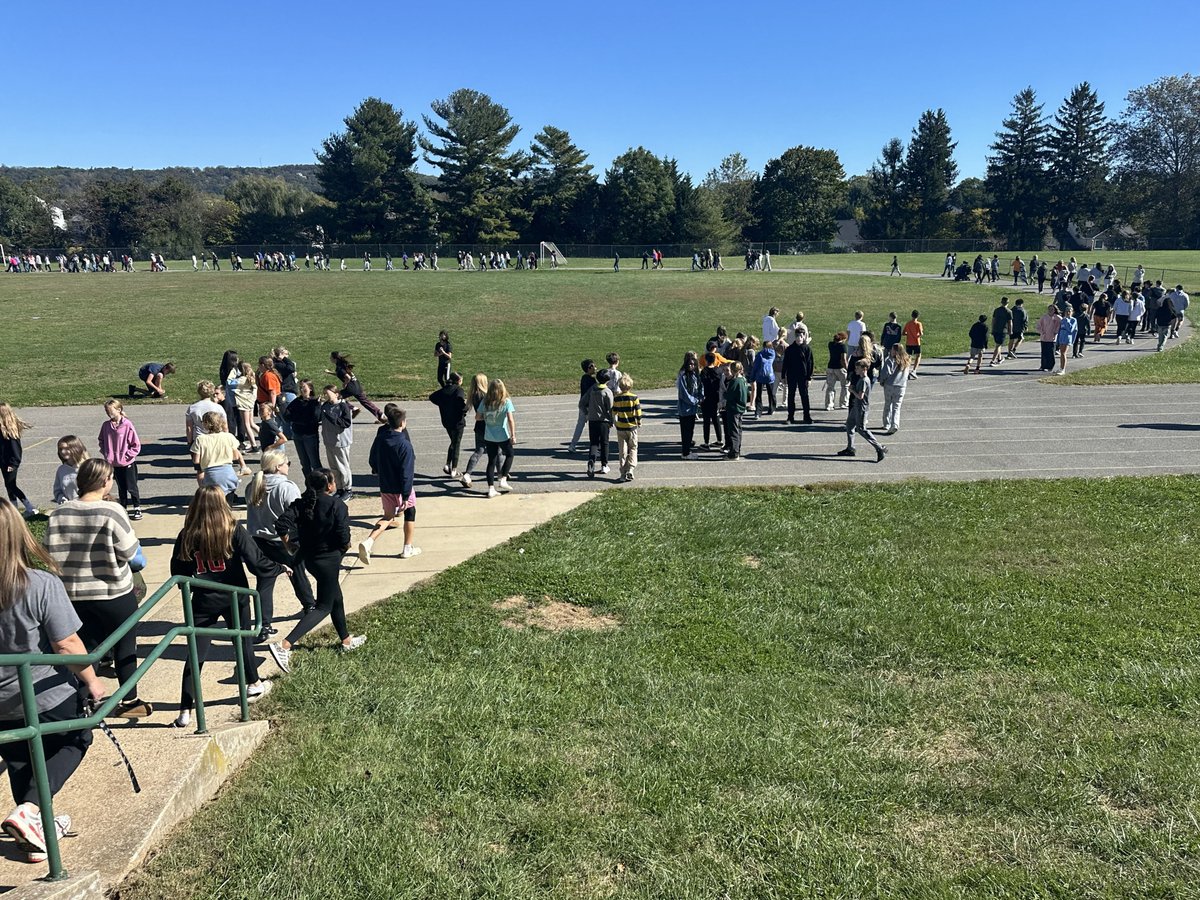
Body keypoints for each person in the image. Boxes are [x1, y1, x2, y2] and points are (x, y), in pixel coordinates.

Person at [0, 500, 105, 863]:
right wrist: (92, 680)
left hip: (1, 704)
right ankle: (30, 811)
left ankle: (33, 833)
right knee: (78, 737)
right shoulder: (39, 584)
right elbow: (67, 644)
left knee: (19, 759)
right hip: (45, 693)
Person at [45, 459, 151, 719]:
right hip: (113, 592)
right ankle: (129, 700)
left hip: (72, 594)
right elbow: (131, 553)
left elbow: (49, 553)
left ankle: (83, 701)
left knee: (84, 649)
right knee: (125, 646)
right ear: (105, 481)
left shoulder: (58, 514)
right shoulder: (112, 511)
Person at [169, 487, 279, 728]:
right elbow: (256, 561)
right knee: (243, 641)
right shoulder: (232, 529)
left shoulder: (187, 534)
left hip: (203, 598)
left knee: (195, 653)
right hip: (235, 595)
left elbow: (177, 571)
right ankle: (253, 683)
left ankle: (185, 710)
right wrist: (278, 567)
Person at [268, 469, 365, 674]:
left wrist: (289, 546)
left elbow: (281, 524)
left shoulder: (302, 503)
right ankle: (284, 645)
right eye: (334, 481)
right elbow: (343, 536)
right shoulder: (337, 505)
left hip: (310, 559)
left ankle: (346, 640)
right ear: (329, 485)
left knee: (336, 597)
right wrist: (343, 548)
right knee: (323, 606)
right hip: (329, 561)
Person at [246, 450, 315, 642]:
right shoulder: (286, 487)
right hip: (283, 541)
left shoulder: (253, 486)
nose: (288, 466)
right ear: (277, 467)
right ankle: (310, 606)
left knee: (265, 582)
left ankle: (263, 625)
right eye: (287, 463)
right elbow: (298, 515)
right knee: (298, 574)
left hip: (259, 542)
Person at [358, 404, 420, 565]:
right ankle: (407, 547)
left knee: (387, 517)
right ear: (402, 423)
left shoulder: (381, 438)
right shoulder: (404, 445)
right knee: (410, 512)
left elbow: (372, 459)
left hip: (385, 485)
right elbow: (407, 472)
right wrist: (405, 495)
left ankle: (369, 542)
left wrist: (378, 470)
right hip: (401, 488)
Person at [98, 400, 143, 520]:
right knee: (121, 487)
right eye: (106, 410)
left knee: (131, 486)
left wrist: (127, 456)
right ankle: (123, 508)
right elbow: (101, 440)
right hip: (114, 463)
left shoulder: (127, 425)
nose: (108, 413)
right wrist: (107, 453)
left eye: (110, 410)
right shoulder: (106, 426)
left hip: (127, 463)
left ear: (119, 410)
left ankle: (137, 507)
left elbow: (136, 444)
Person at [190, 412, 250, 500]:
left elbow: (196, 461)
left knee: (213, 501)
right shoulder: (229, 436)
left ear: (205, 424)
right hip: (228, 473)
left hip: (211, 475)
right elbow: (236, 456)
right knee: (228, 501)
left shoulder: (200, 439)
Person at [838, 360, 887, 462]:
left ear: (864, 369)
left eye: (858, 368)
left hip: (861, 407)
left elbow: (860, 396)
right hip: (856, 406)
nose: (856, 370)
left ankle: (879, 447)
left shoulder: (864, 380)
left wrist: (852, 391)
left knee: (861, 429)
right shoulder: (861, 379)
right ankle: (850, 448)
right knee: (849, 424)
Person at [477, 379, 516, 498]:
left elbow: (477, 417)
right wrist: (513, 435)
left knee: (491, 461)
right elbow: (510, 419)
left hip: (489, 435)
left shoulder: (485, 401)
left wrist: (486, 418)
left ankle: (491, 488)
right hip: (502, 435)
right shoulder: (506, 402)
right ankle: (503, 477)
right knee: (510, 454)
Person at [326, 352, 384, 424]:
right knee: (365, 402)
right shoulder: (342, 366)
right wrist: (329, 372)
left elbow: (348, 377)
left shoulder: (339, 367)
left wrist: (345, 383)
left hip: (351, 388)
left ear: (335, 359)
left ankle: (353, 409)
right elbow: (340, 374)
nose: (330, 359)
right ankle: (381, 416)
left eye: (331, 358)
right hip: (356, 385)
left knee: (336, 398)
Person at [0, 403, 36, 517]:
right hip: (3, 463)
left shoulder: (11, 433)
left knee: (11, 485)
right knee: (8, 486)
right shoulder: (2, 429)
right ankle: (14, 509)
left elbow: (16, 451)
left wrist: (13, 464)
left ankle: (30, 507)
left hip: (10, 464)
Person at [319, 385, 354, 501]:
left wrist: (330, 415)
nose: (325, 396)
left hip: (340, 442)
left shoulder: (343, 406)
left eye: (328, 393)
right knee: (334, 468)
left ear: (336, 394)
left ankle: (348, 489)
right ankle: (339, 488)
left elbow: (346, 423)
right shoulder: (325, 406)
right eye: (324, 393)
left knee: (343, 467)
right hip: (329, 441)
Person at [429, 372, 467, 479]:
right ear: (459, 381)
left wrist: (443, 404)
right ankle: (454, 469)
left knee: (453, 442)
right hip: (457, 421)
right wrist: (465, 409)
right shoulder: (458, 390)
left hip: (446, 420)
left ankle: (447, 464)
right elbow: (461, 403)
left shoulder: (444, 390)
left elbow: (432, 397)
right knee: (456, 444)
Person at [283, 379, 321, 478]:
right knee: (304, 463)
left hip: (310, 435)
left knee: (315, 462)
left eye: (304, 387)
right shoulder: (297, 401)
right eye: (300, 387)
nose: (301, 389)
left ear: (310, 388)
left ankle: (319, 484)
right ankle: (309, 484)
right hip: (297, 435)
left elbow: (316, 418)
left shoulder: (314, 402)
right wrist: (302, 419)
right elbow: (286, 415)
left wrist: (299, 418)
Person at [585, 369, 614, 479]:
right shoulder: (607, 392)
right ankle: (604, 465)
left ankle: (591, 461)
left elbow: (583, 402)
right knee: (604, 443)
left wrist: (587, 413)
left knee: (594, 443)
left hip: (592, 420)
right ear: (608, 380)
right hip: (603, 421)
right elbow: (610, 408)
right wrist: (611, 420)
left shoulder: (592, 389)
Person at [613, 374, 643, 482]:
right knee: (633, 448)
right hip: (631, 427)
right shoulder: (634, 397)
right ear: (630, 386)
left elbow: (614, 412)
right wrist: (639, 421)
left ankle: (622, 473)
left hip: (621, 427)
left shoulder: (617, 398)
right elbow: (638, 412)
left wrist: (615, 422)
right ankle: (631, 468)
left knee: (622, 451)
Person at [782, 330, 814, 424]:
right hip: (792, 375)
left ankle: (807, 416)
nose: (799, 338)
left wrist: (809, 377)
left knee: (804, 396)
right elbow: (785, 363)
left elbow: (810, 363)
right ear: (795, 337)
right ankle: (790, 417)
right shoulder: (790, 349)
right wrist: (783, 376)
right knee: (791, 396)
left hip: (803, 376)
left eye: (801, 336)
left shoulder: (807, 349)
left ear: (804, 337)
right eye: (797, 336)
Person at [879, 345, 910, 435]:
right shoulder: (906, 360)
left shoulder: (890, 360)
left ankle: (887, 423)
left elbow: (885, 372)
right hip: (901, 386)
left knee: (888, 404)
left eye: (892, 350)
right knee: (897, 406)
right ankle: (895, 424)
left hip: (890, 385)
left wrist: (882, 381)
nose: (890, 351)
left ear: (895, 351)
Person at [568, 360, 598, 453]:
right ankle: (596, 448)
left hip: (582, 404)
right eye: (594, 366)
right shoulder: (591, 380)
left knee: (580, 426)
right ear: (589, 368)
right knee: (595, 427)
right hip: (589, 406)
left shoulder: (584, 378)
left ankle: (572, 445)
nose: (595, 368)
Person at [676, 353, 702, 461]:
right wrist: (695, 400)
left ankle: (687, 450)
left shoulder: (695, 376)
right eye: (690, 364)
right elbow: (684, 394)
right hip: (685, 408)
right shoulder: (683, 377)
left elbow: (700, 387)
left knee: (690, 430)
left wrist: (701, 397)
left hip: (693, 409)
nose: (692, 366)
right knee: (686, 431)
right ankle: (685, 452)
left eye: (694, 364)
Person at [229, 362, 259, 451]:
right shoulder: (251, 378)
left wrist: (233, 371)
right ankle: (267, 437)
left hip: (243, 404)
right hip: (250, 402)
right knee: (252, 423)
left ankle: (254, 445)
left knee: (246, 425)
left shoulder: (240, 380)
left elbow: (229, 382)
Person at [185, 381, 226, 446]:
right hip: (216, 440)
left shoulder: (192, 408)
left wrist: (189, 442)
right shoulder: (219, 408)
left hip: (199, 440)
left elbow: (189, 428)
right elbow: (225, 427)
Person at [52, 436, 88, 505]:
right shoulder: (61, 469)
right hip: (69, 506)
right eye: (60, 449)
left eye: (67, 448)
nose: (63, 451)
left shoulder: (87, 467)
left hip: (86, 505)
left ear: (76, 448)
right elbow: (57, 491)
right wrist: (62, 500)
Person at [723, 362, 748, 461]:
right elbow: (747, 394)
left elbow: (729, 395)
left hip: (733, 408)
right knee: (739, 430)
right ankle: (737, 449)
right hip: (741, 408)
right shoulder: (744, 380)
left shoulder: (735, 381)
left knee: (733, 431)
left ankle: (734, 453)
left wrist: (725, 393)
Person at [752, 338, 777, 415]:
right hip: (770, 376)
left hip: (760, 376)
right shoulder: (773, 354)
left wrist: (752, 377)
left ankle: (758, 411)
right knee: (771, 393)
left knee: (759, 394)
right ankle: (772, 408)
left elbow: (755, 366)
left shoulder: (759, 354)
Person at [824, 332, 849, 410]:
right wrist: (847, 369)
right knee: (845, 386)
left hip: (831, 367)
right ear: (843, 339)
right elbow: (843, 359)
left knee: (830, 387)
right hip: (840, 368)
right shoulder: (843, 346)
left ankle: (829, 404)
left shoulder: (830, 344)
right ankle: (843, 403)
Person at [1036, 305, 1062, 372]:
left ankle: (1050, 366)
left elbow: (1060, 325)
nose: (1050, 310)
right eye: (1049, 309)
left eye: (1052, 309)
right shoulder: (1044, 317)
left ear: (1055, 310)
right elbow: (1038, 326)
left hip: (1052, 338)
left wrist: (1055, 332)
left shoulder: (1057, 318)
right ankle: (1043, 365)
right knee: (1044, 352)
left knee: (1050, 353)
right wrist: (1042, 332)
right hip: (1044, 338)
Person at [1054, 307, 1078, 375]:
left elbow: (1070, 329)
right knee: (1061, 353)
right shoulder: (1063, 320)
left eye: (1069, 311)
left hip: (1067, 338)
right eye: (1066, 311)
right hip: (1062, 337)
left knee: (1063, 353)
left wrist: (1067, 321)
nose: (1068, 313)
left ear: (1072, 312)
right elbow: (1060, 329)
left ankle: (1063, 369)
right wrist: (1058, 339)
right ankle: (1061, 367)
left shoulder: (1073, 320)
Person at [989, 298, 1012, 366]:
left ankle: (999, 358)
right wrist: (1010, 331)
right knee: (998, 345)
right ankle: (993, 360)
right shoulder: (1009, 311)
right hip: (1003, 330)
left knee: (998, 344)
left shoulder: (997, 310)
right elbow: (1010, 322)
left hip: (996, 329)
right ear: (1008, 303)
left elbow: (993, 320)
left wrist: (992, 329)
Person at [902, 311, 924, 379]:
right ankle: (914, 370)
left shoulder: (908, 323)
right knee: (918, 355)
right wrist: (919, 335)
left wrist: (908, 334)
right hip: (916, 342)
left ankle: (907, 370)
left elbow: (903, 333)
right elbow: (921, 333)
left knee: (908, 357)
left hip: (909, 342)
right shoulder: (918, 324)